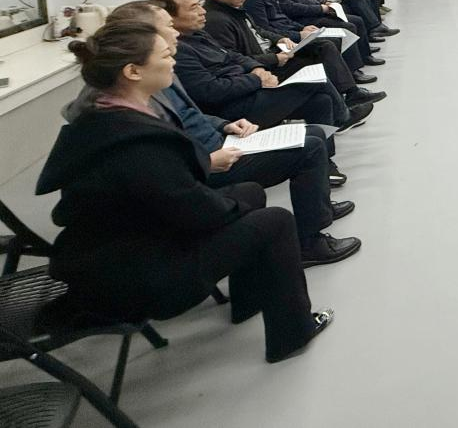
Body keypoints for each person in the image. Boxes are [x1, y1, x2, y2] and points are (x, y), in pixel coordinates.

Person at [37, 22, 333, 363]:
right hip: (139, 278)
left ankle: (249, 300)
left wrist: (232, 199)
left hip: (113, 252)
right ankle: (293, 334)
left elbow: (172, 196)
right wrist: (230, 202)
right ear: (133, 71)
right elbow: (198, 212)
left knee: (250, 191)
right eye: (165, 56)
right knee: (276, 221)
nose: (173, 61)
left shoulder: (101, 117)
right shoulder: (137, 141)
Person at [100, 1, 360, 264]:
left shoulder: (164, 65)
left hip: (220, 137)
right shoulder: (138, 93)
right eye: (168, 26)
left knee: (314, 126)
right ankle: (310, 242)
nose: (175, 31)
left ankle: (318, 206)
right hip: (209, 159)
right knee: (310, 145)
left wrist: (223, 124)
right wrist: (206, 160)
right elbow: (169, 146)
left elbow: (191, 112)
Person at [160, 0, 351, 131]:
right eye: (193, 8)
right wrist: (257, 78)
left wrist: (256, 68)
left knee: (321, 101)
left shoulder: (197, 33)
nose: (202, 12)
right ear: (169, 18)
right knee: (316, 80)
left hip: (248, 84)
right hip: (233, 105)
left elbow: (232, 55)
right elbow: (210, 91)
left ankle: (326, 158)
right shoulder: (179, 49)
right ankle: (345, 117)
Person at [236, 0, 384, 100]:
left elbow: (282, 16)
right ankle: (350, 90)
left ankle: (349, 85)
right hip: (281, 39)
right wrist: (297, 34)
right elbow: (265, 27)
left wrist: (301, 29)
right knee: (328, 43)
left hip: (290, 28)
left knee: (341, 30)